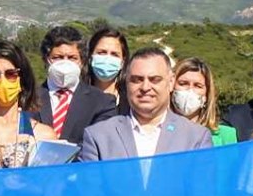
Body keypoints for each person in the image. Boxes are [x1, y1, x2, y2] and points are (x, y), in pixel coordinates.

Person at [75, 48, 214, 161]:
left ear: (171, 82)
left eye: (155, 80)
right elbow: (91, 192)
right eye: (137, 80)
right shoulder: (98, 136)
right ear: (127, 83)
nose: (145, 87)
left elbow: (202, 193)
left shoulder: (196, 138)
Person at [33, 25, 115, 140]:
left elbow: (99, 143)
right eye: (58, 57)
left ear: (82, 61)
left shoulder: (102, 103)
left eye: (72, 58)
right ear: (46, 60)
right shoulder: (28, 100)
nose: (65, 63)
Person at [170, 57, 238, 146]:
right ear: (171, 87)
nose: (190, 90)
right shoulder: (157, 132)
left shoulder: (226, 136)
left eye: (198, 86)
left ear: (206, 96)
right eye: (183, 83)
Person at [85, 26, 131, 105]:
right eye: (102, 52)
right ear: (90, 56)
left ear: (122, 62)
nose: (107, 58)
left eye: (114, 54)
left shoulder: (130, 100)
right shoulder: (76, 96)